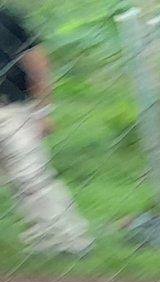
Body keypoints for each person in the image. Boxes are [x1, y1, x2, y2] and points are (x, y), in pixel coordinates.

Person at [0, 2, 92, 257]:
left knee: (31, 177)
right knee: (26, 180)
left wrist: (43, 111)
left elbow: (36, 61)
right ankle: (46, 236)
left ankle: (66, 239)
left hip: (12, 109)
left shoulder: (6, 18)